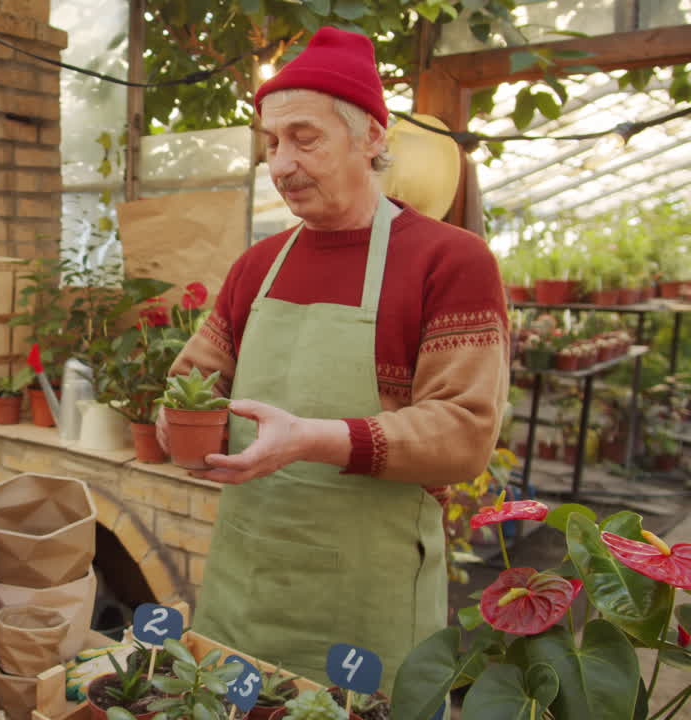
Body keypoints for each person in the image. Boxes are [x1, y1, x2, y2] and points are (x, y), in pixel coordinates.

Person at [161, 27, 509, 691]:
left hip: (366, 602)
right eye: (271, 142)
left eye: (305, 138)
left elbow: (464, 433)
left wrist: (310, 440)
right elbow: (190, 380)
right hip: (243, 588)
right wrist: (180, 425)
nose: (281, 165)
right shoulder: (257, 266)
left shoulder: (448, 262)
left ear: (371, 137)